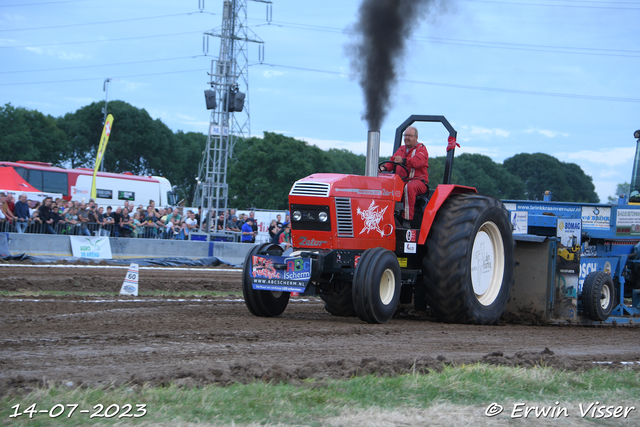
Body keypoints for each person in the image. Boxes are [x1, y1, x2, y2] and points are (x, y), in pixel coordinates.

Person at [379, 126, 428, 226]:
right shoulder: (401, 149)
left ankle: (407, 220)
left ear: (416, 137)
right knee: (385, 185)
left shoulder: (421, 149)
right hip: (402, 180)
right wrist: (383, 168)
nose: (406, 138)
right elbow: (392, 162)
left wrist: (404, 161)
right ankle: (384, 216)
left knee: (409, 187)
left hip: (418, 182)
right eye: (405, 135)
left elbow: (417, 162)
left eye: (409, 136)